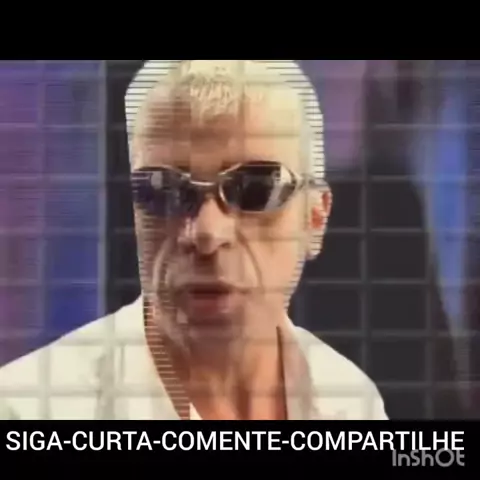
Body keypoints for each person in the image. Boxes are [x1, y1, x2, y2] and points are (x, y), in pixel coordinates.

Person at [0, 60, 387, 420]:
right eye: (163, 190)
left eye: (256, 188)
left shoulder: (350, 402)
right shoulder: (30, 411)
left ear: (315, 218)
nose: (206, 232)